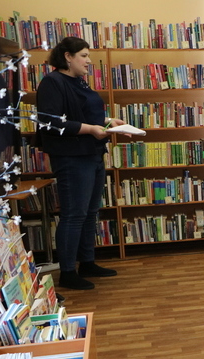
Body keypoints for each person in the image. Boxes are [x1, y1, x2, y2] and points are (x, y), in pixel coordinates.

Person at [36, 37, 126, 290]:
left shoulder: (79, 82)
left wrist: (108, 122)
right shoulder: (52, 82)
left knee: (90, 213)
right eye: (84, 56)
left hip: (92, 153)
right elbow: (50, 123)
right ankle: (67, 272)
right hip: (72, 158)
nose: (89, 61)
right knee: (74, 214)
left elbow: (84, 114)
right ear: (68, 56)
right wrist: (91, 129)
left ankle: (87, 262)